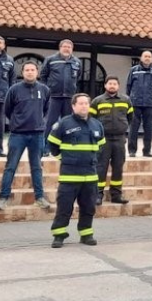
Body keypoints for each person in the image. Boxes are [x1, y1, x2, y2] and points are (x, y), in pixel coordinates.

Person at [48, 94, 104, 248]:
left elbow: (101, 147)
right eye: (80, 103)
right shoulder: (64, 124)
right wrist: (65, 159)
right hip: (69, 176)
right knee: (64, 207)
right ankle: (59, 235)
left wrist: (91, 160)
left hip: (90, 177)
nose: (84, 106)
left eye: (86, 103)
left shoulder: (97, 125)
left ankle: (86, 234)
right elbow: (52, 145)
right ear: (73, 106)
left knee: (88, 208)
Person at [0, 62, 51, 211]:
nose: (30, 72)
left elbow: (46, 110)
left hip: (37, 135)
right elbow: (7, 109)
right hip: (18, 134)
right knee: (10, 167)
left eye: (32, 70)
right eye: (27, 70)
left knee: (37, 167)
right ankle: (3, 198)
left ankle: (39, 198)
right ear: (23, 72)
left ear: (37, 72)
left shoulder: (44, 89)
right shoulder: (14, 89)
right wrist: (17, 122)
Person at [90, 76, 133, 205]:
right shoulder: (98, 101)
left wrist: (122, 127)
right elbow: (91, 120)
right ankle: (98, 194)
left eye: (115, 83)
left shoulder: (126, 100)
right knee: (101, 167)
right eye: (110, 83)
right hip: (104, 139)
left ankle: (116, 194)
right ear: (105, 85)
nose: (112, 85)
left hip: (120, 138)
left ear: (118, 86)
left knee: (118, 167)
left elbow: (130, 117)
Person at [39, 39, 81, 156]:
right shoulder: (51, 60)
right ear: (60, 47)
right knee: (49, 123)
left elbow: (77, 77)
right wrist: (46, 90)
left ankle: (65, 147)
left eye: (69, 47)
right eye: (64, 46)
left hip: (69, 97)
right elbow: (43, 76)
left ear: (72, 49)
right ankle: (45, 148)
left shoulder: (77, 62)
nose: (67, 49)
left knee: (68, 123)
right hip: (53, 96)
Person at [126, 50, 152, 157]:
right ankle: (132, 150)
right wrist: (130, 99)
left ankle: (147, 151)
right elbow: (128, 86)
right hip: (135, 103)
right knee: (133, 127)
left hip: (150, 104)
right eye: (145, 56)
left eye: (149, 56)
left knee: (149, 128)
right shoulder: (134, 70)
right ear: (141, 58)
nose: (147, 58)